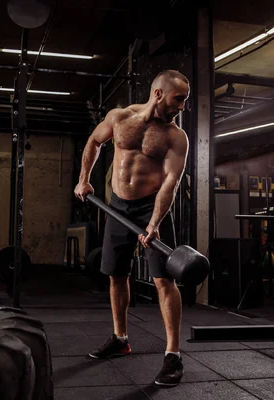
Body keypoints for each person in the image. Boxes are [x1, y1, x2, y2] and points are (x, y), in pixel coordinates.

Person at [74, 69, 190, 387]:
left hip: (151, 210)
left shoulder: (175, 137)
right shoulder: (119, 117)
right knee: (116, 275)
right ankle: (120, 338)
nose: (182, 106)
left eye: (186, 100)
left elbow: (171, 182)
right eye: (178, 98)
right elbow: (94, 142)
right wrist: (85, 178)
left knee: (164, 281)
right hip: (117, 208)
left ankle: (173, 355)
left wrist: (153, 223)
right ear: (158, 94)